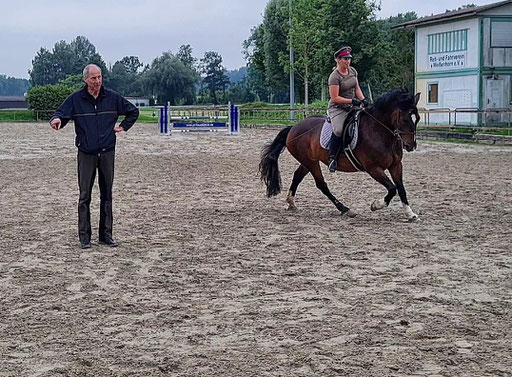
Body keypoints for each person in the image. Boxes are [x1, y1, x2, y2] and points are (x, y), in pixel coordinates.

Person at [50, 64, 139, 249]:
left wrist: (123, 126)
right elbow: (61, 113)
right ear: (85, 79)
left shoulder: (113, 97)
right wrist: (57, 120)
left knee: (107, 195)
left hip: (107, 152)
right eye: (93, 78)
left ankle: (106, 235)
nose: (97, 81)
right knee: (85, 196)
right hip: (86, 154)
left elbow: (133, 111)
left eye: (99, 77)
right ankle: (84, 237)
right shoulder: (76, 99)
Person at [327, 46, 368, 172]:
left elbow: (356, 88)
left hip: (352, 105)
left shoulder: (353, 71)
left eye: (349, 58)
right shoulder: (334, 77)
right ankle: (332, 158)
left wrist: (363, 99)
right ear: (338, 60)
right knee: (339, 130)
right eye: (345, 59)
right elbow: (335, 98)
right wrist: (351, 100)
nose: (348, 61)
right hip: (338, 108)